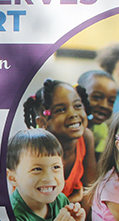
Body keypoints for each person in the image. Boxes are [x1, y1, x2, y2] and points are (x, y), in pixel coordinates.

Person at [7, 129, 118, 221]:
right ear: (13, 178)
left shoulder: (59, 200)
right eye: (37, 169)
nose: (49, 178)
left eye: (55, 167)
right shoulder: (13, 217)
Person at [23, 79, 96, 207]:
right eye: (61, 110)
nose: (73, 114)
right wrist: (73, 200)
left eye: (78, 106)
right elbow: (36, 207)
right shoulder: (36, 151)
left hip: (76, 214)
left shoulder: (85, 137)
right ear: (42, 122)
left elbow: (90, 188)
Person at [78, 70, 117, 159]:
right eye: (96, 97)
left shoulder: (101, 130)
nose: (104, 106)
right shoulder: (66, 125)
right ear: (77, 94)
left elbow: (98, 164)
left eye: (111, 101)